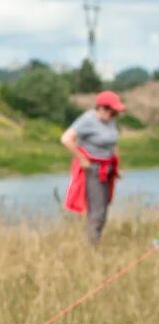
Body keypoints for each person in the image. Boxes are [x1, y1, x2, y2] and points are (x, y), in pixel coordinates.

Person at [61, 90, 124, 244]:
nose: (115, 114)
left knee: (103, 208)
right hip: (93, 170)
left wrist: (116, 166)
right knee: (97, 212)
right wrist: (82, 159)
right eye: (112, 111)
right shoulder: (87, 120)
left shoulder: (110, 120)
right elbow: (66, 138)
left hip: (107, 168)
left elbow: (112, 143)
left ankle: (94, 242)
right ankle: (91, 247)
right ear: (102, 108)